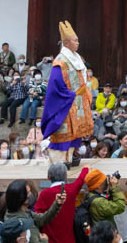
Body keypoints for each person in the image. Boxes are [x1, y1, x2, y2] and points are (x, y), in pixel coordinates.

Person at [39, 21, 94, 164]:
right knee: (64, 133)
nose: (78, 43)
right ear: (67, 43)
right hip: (67, 102)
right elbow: (55, 84)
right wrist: (70, 96)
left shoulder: (76, 58)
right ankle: (59, 164)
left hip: (78, 102)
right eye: (75, 41)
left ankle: (70, 159)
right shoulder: (61, 61)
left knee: (75, 135)